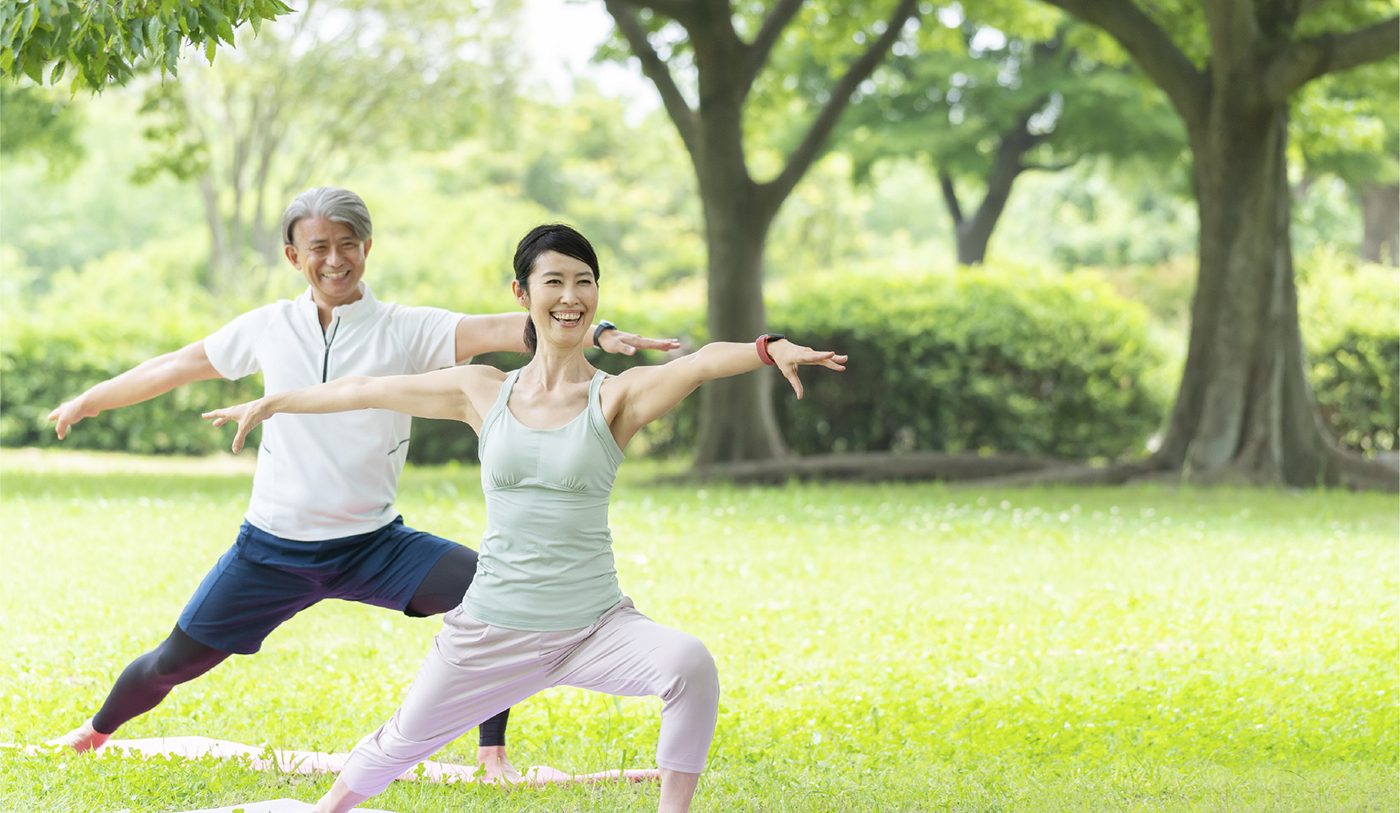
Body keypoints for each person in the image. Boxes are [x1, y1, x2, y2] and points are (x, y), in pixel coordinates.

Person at [202, 223, 847, 812]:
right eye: (554, 281)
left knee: (689, 665)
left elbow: (700, 363)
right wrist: (275, 402)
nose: (571, 297)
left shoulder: (616, 397)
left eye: (584, 282)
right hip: (491, 628)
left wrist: (769, 348)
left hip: (594, 625)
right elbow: (363, 389)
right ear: (523, 293)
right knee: (394, 749)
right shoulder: (482, 390)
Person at [45, 188, 678, 783]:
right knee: (171, 661)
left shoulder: (405, 328)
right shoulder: (269, 326)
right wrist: (89, 401)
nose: (334, 259)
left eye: (347, 243)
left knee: (492, 596)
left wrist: (598, 332)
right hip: (271, 549)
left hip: (375, 544)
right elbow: (178, 365)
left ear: (366, 248)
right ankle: (96, 731)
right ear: (293, 256)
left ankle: (492, 754)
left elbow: (520, 325)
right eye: (318, 247)